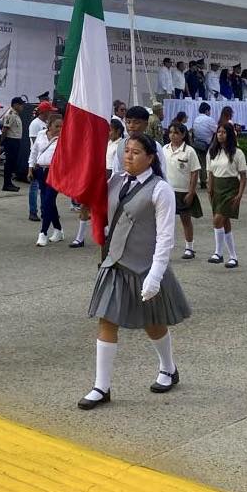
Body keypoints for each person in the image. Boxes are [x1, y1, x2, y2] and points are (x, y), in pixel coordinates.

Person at [78, 134, 191, 410]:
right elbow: (94, 203)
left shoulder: (160, 189)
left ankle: (168, 367)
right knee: (106, 321)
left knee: (153, 323)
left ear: (150, 158)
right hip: (115, 264)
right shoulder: (115, 181)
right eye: (126, 151)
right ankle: (101, 387)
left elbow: (165, 238)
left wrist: (156, 275)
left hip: (145, 267)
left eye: (136, 152)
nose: (128, 156)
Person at [206, 122, 247, 267]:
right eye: (219, 132)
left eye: (224, 132)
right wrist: (210, 188)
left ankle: (218, 252)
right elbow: (210, 172)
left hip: (230, 188)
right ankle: (233, 256)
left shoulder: (237, 153)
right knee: (224, 221)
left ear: (229, 135)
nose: (220, 135)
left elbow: (243, 176)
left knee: (217, 220)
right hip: (216, 187)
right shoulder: (212, 152)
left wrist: (239, 195)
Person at [162, 123, 203, 260]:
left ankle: (189, 248)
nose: (172, 135)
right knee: (166, 222)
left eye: (176, 133)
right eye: (171, 132)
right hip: (168, 190)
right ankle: (165, 248)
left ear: (183, 135)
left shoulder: (189, 151)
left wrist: (191, 192)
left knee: (186, 220)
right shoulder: (164, 149)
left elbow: (194, 172)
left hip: (183, 191)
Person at [29, 113, 64, 246]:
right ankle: (58, 229)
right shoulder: (41, 134)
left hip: (55, 172)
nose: (59, 129)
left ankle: (43, 232)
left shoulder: (64, 138)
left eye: (61, 126)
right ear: (49, 126)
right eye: (56, 126)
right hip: (40, 170)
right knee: (49, 202)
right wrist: (30, 168)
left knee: (47, 201)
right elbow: (34, 152)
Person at [114, 106, 167, 175]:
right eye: (128, 122)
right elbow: (116, 170)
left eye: (136, 123)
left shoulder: (154, 145)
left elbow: (162, 170)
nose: (131, 126)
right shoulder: (121, 145)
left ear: (146, 124)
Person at [27, 100, 54, 221]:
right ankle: (33, 211)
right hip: (37, 160)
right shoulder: (35, 124)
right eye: (50, 111)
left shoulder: (46, 124)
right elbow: (34, 145)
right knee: (34, 187)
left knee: (45, 188)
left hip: (45, 161)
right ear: (45, 111)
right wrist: (32, 165)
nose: (51, 113)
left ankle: (45, 210)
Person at [1, 97, 25, 192]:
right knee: (9, 163)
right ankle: (6, 184)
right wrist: (3, 142)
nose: (22, 107)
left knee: (12, 163)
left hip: (15, 141)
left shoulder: (16, 114)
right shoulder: (10, 114)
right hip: (11, 141)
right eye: (20, 105)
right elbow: (5, 129)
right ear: (15, 105)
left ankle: (9, 182)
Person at [191, 102, 217, 189]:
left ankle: (203, 180)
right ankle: (208, 180)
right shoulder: (209, 120)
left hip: (196, 143)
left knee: (201, 163)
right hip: (207, 145)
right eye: (209, 111)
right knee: (207, 163)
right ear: (206, 111)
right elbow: (216, 130)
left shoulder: (196, 119)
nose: (210, 113)